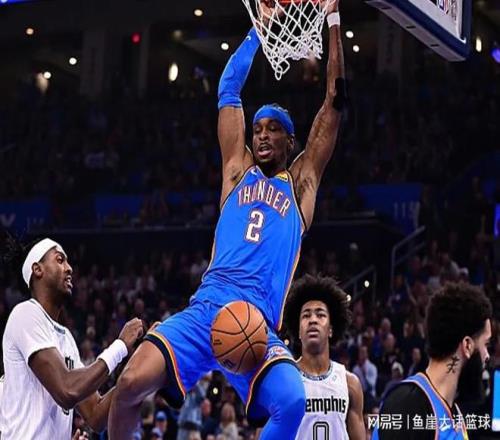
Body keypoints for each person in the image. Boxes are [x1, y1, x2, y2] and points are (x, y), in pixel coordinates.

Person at [108, 0, 346, 438]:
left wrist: (332, 19)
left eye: (273, 128)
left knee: (293, 401)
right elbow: (228, 89)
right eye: (258, 129)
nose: (263, 134)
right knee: (129, 384)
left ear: (290, 141)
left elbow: (334, 102)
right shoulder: (236, 171)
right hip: (206, 308)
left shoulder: (301, 184)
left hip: (256, 323)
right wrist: (260, 30)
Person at [0, 234, 145, 439]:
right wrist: (120, 346)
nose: (69, 268)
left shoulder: (65, 338)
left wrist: (141, 360)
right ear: (37, 269)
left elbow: (95, 414)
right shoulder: (25, 314)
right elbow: (67, 390)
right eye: (60, 260)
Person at [372, 282, 492, 439]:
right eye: (486, 344)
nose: (487, 356)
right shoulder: (407, 406)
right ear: (467, 345)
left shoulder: (454, 412)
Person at [284, 275, 365, 439]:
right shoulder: (284, 381)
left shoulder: (350, 383)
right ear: (298, 331)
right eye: (306, 315)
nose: (313, 320)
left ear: (330, 330)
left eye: (320, 315)